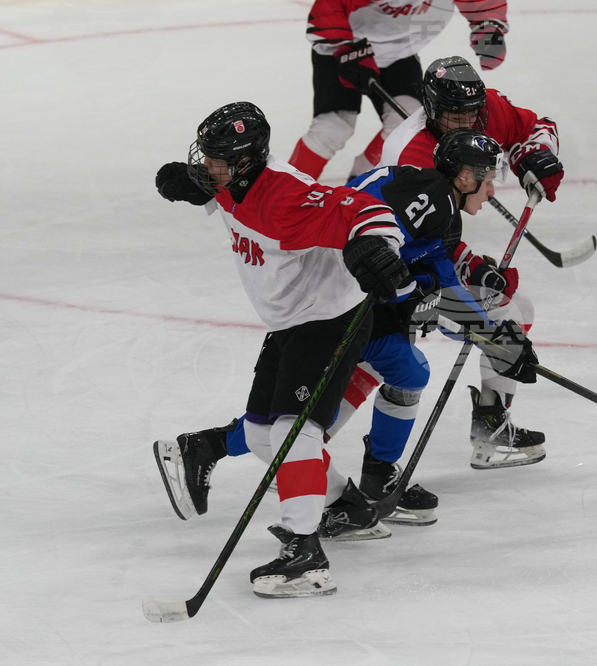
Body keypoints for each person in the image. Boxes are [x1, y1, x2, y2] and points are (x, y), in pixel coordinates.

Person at [152, 101, 416, 599]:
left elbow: (365, 208)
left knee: (294, 433)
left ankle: (305, 552)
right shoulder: (230, 184)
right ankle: (349, 508)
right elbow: (226, 198)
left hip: (329, 320)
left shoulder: (286, 196)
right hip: (290, 324)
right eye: (204, 157)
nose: (206, 167)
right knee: (258, 436)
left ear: (247, 161)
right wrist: (196, 187)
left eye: (215, 160)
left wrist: (375, 245)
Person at [321, 127, 538, 529]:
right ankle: (300, 457)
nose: (492, 192)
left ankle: (368, 474)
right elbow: (374, 250)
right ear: (465, 177)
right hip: (333, 289)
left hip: (347, 284)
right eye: (488, 181)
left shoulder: (440, 200)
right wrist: (493, 338)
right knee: (391, 372)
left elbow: (442, 278)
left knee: (407, 370)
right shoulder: (433, 200)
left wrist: (495, 338)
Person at [353, 55, 563, 469]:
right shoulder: (411, 156)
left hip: (413, 258)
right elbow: (418, 249)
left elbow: (537, 127)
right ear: (431, 110)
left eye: (472, 113)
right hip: (375, 268)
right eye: (454, 115)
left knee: (513, 309)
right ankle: (301, 449)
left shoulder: (483, 112)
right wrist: (490, 335)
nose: (467, 123)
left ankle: (490, 422)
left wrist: (534, 155)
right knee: (385, 358)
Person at [289, 0, 511, 181]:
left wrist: (489, 29)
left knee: (407, 123)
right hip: (345, 47)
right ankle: (287, 193)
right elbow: (329, 6)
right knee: (333, 128)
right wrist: (346, 48)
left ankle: (357, 185)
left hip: (399, 53)